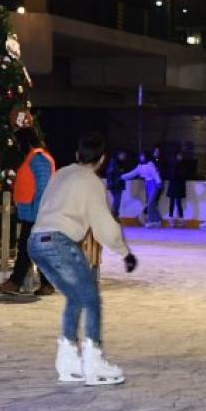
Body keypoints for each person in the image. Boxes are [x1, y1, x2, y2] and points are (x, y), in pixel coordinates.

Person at [28, 133, 138, 386]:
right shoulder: (92, 182)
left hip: (36, 241)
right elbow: (103, 226)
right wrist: (124, 253)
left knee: (75, 297)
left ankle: (67, 361)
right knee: (90, 299)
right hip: (59, 241)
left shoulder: (62, 174)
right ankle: (94, 361)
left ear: (77, 156)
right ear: (101, 160)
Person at [0, 126, 56, 299]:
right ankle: (46, 284)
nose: (16, 146)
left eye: (18, 142)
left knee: (26, 248)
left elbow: (43, 188)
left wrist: (39, 214)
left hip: (37, 213)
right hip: (32, 213)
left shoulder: (39, 159)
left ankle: (16, 282)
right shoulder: (34, 158)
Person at [126, 150, 163, 227]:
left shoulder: (151, 164)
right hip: (148, 185)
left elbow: (155, 174)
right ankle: (158, 220)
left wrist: (159, 182)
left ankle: (150, 221)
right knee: (151, 204)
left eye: (143, 155)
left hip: (155, 185)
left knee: (150, 203)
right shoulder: (140, 166)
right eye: (140, 156)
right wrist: (121, 177)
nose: (142, 157)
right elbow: (132, 174)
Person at [174, 142, 198, 226]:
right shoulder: (175, 164)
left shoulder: (184, 164)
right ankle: (176, 219)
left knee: (178, 202)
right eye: (178, 156)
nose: (179, 157)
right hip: (175, 185)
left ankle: (181, 219)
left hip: (180, 185)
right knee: (175, 202)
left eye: (180, 156)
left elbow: (186, 173)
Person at [105, 147, 133, 216]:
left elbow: (123, 173)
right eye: (122, 155)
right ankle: (114, 214)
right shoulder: (114, 162)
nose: (124, 157)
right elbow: (110, 173)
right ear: (119, 155)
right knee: (117, 200)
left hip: (118, 184)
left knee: (117, 200)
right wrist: (111, 182)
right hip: (114, 184)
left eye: (125, 156)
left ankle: (114, 214)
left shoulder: (121, 163)